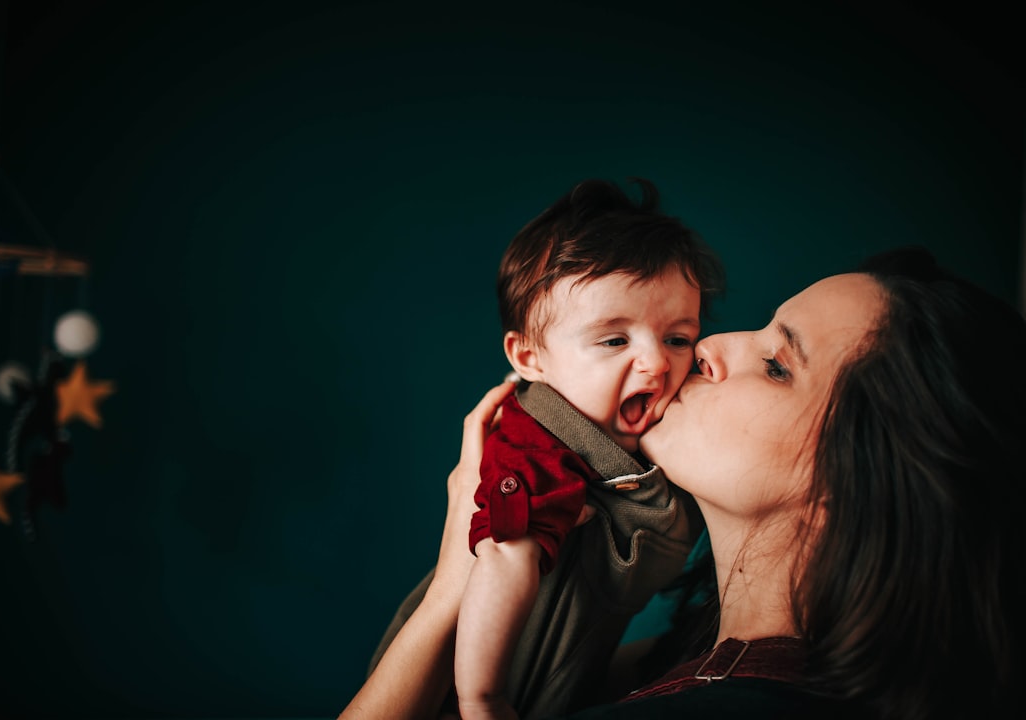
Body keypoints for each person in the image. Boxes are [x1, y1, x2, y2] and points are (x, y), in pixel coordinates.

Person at [339, 246, 1024, 719]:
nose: (708, 347)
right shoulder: (690, 667)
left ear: (860, 486)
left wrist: (459, 571)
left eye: (777, 364)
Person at [366, 178, 725, 720]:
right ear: (530, 358)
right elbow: (505, 555)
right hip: (461, 682)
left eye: (677, 337)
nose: (657, 363)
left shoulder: (658, 435)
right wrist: (481, 697)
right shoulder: (537, 442)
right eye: (614, 340)